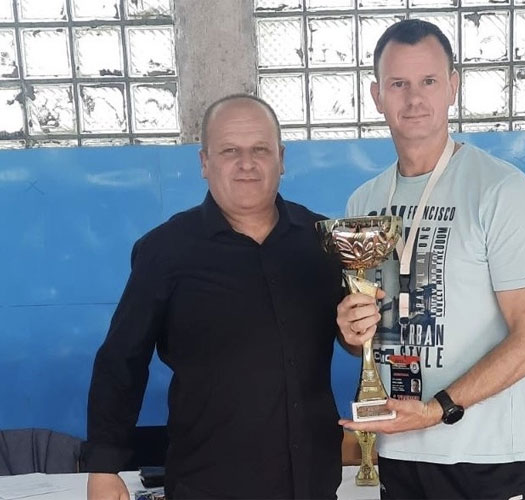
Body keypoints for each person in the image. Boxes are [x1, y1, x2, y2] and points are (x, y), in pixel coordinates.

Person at [336, 19, 525, 500]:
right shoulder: (364, 202)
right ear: (377, 95)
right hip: (398, 448)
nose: (414, 98)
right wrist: (352, 333)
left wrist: (438, 409)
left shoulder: (500, 190)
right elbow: (366, 341)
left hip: (484, 456)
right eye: (398, 84)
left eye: (429, 81)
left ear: (453, 87)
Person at [81, 94, 343, 500]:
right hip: (208, 484)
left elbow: (354, 334)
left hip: (312, 484)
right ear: (204, 162)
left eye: (260, 149)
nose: (246, 163)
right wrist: (103, 466)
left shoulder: (324, 241)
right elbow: (121, 361)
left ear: (281, 159)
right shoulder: (165, 251)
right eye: (229, 151)